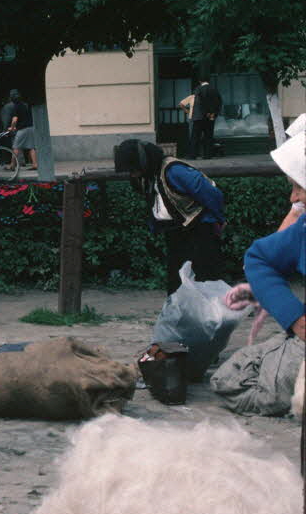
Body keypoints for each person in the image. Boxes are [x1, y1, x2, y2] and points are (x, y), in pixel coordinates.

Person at [112, 138, 225, 296]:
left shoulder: (174, 170)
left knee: (206, 277)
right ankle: (181, 315)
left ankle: (216, 316)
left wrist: (218, 220)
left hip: (200, 228)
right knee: (176, 280)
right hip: (175, 230)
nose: (132, 174)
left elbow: (212, 194)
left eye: (133, 169)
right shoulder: (148, 176)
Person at [243, 130, 306, 341]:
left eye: (299, 186)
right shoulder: (303, 230)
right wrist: (293, 316)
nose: (293, 197)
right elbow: (258, 258)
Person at [0, 89, 36, 170]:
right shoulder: (25, 105)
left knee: (15, 147)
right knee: (31, 147)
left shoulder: (15, 107)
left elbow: (15, 120)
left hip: (22, 129)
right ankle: (35, 164)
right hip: (30, 127)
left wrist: (11, 128)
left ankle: (12, 165)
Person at [190, 79, 223, 159]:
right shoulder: (214, 89)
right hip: (210, 117)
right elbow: (219, 102)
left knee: (195, 136)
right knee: (208, 136)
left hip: (199, 117)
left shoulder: (198, 89)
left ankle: (193, 155)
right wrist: (214, 113)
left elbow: (200, 102)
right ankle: (208, 155)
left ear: (200, 81)